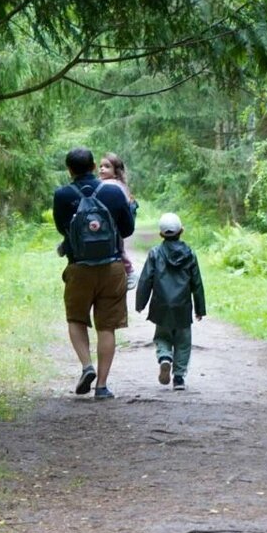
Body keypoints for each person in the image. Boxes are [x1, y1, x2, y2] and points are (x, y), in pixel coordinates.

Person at [52, 147, 135, 400]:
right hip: (111, 267)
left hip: (79, 268)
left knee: (76, 319)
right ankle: (102, 386)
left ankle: (86, 366)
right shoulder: (112, 191)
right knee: (107, 326)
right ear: (91, 167)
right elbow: (128, 229)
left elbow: (61, 229)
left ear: (70, 169)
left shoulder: (62, 195)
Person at [134, 212, 206, 391]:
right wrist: (200, 308)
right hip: (182, 306)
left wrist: (140, 303)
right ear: (182, 231)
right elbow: (196, 282)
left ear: (161, 234)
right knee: (183, 342)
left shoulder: (155, 253)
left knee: (162, 336)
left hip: (161, 305)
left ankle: (165, 357)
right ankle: (179, 378)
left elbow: (145, 280)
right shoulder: (190, 253)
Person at [97, 152, 139, 289]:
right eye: (101, 166)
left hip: (114, 226)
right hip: (109, 224)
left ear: (116, 172)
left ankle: (131, 272)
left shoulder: (115, 185)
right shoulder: (105, 183)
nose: (102, 169)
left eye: (107, 166)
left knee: (119, 249)